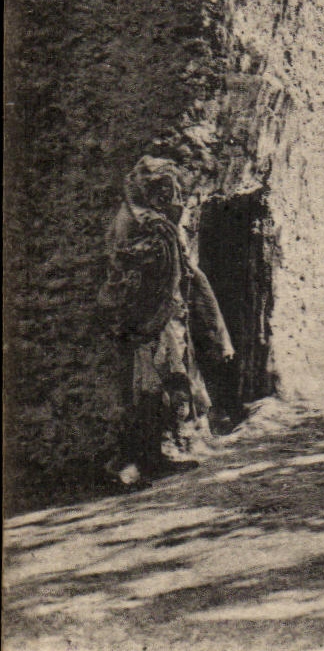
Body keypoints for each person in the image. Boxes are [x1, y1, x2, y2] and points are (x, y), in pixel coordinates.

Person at [99, 156, 234, 487]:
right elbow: (147, 275)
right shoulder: (143, 224)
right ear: (153, 190)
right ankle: (133, 462)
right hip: (148, 321)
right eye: (166, 191)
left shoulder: (146, 220)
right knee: (150, 390)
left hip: (154, 318)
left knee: (157, 390)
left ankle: (154, 455)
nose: (172, 198)